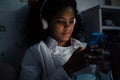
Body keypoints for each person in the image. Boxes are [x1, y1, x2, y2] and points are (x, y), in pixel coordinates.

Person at [19, 0, 113, 80]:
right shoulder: (35, 52)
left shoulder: (84, 47)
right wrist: (68, 68)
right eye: (60, 21)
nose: (68, 26)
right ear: (45, 23)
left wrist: (103, 69)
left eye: (71, 21)